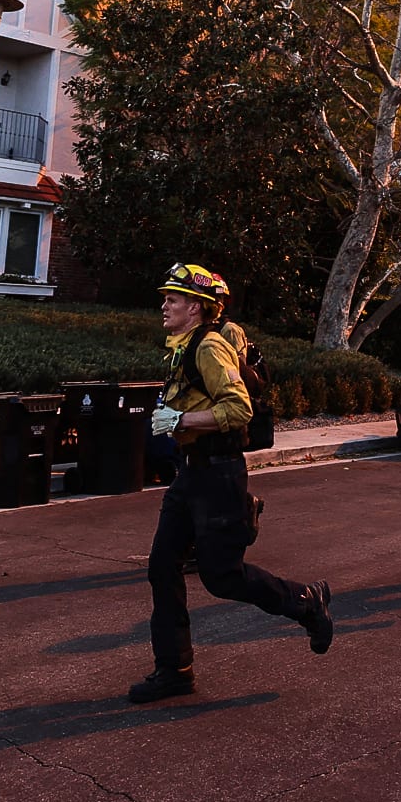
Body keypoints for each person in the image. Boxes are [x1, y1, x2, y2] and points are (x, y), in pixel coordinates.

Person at [130, 263, 335, 704]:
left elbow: (239, 408)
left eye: (173, 299)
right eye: (165, 297)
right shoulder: (182, 346)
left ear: (198, 307)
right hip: (191, 472)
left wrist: (181, 419)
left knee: (222, 578)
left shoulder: (208, 348)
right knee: (162, 567)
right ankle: (174, 671)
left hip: (219, 472)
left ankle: (305, 601)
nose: (164, 305)